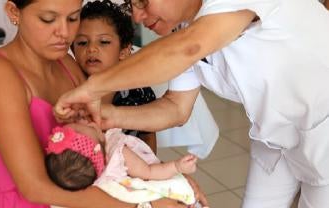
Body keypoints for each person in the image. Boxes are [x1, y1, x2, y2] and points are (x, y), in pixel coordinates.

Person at [54, 0, 329, 207]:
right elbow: (176, 107)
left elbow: (189, 47)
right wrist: (107, 116)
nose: (138, 15)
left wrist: (93, 87)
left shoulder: (205, 24)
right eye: (132, 4)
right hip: (276, 139)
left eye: (143, 1)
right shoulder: (184, 29)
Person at [0, 0, 205, 207]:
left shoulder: (66, 65)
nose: (64, 33)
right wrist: (145, 203)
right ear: (14, 12)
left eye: (72, 18)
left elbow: (111, 146)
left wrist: (167, 182)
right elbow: (35, 188)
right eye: (48, 19)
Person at [72, 0, 157, 152]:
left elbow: (148, 134)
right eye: (82, 42)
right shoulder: (70, 87)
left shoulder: (139, 93)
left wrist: (151, 165)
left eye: (103, 42)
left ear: (124, 51)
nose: (91, 49)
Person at [45, 122, 200, 205]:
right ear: (97, 142)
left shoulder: (85, 174)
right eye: (82, 126)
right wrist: (177, 166)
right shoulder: (117, 152)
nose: (80, 120)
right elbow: (149, 172)